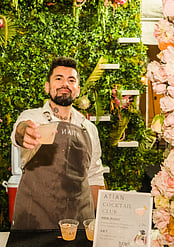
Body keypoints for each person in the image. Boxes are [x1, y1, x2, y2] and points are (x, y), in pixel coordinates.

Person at [10, 57, 106, 230]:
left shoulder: (89, 128)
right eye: (58, 78)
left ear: (77, 90)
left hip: (80, 222)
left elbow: (94, 176)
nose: (65, 84)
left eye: (71, 80)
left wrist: (103, 222)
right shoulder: (32, 117)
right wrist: (24, 133)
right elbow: (19, 132)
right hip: (35, 220)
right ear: (48, 86)